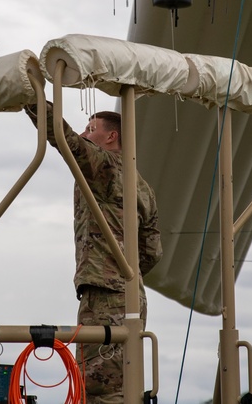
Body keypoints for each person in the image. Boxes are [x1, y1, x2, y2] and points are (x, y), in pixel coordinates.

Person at [26, 103, 162, 404]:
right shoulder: (142, 186)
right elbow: (152, 252)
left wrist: (33, 100)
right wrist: (124, 270)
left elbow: (66, 140)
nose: (85, 134)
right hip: (129, 293)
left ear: (111, 137)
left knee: (99, 389)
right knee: (120, 384)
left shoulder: (106, 167)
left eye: (91, 129)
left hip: (104, 295)